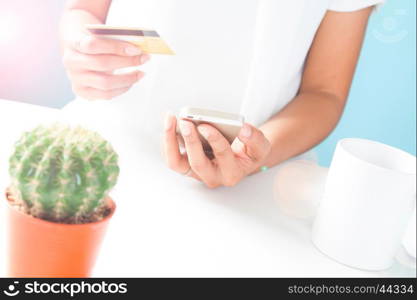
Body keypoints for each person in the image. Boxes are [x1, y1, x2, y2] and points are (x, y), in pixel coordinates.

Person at [60, 0, 384, 188]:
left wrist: (255, 157)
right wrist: (81, 48)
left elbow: (324, 92)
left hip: (252, 187)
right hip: (105, 146)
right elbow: (84, 10)